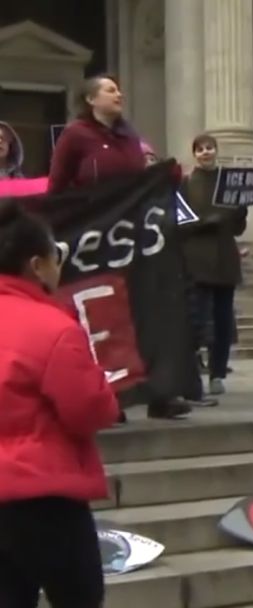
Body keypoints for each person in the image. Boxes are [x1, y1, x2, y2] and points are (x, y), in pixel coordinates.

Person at [0, 199, 119, 608]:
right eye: (57, 256)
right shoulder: (53, 328)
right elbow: (89, 410)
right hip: (45, 501)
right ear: (37, 265)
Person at [141, 141, 217, 413]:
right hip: (143, 277)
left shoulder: (169, 193)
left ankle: (186, 390)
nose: (149, 163)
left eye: (153, 158)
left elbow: (186, 223)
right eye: (144, 159)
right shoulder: (131, 197)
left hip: (173, 271)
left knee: (183, 332)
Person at [179, 133, 247, 396]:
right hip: (196, 259)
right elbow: (180, 221)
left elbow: (238, 228)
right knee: (197, 319)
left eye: (210, 148)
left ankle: (218, 373)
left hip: (224, 259)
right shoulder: (185, 183)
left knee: (222, 320)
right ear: (194, 153)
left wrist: (240, 212)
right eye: (200, 149)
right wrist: (206, 222)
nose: (206, 153)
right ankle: (193, 371)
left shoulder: (229, 183)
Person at [48, 74, 145, 193]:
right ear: (91, 99)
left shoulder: (129, 134)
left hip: (130, 207)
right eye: (111, 91)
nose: (119, 95)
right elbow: (57, 184)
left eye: (118, 91)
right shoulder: (75, 134)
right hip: (92, 208)